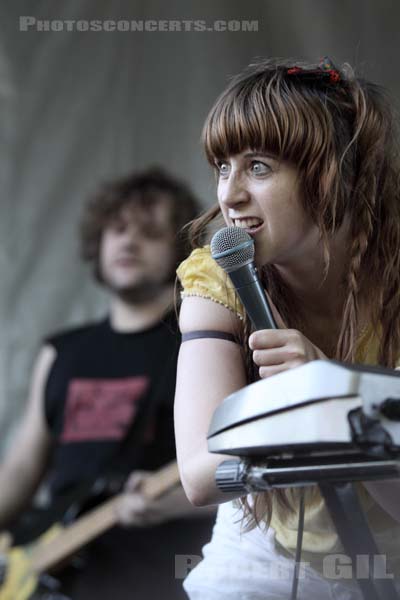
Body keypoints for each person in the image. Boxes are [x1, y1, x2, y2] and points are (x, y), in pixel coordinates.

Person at [174, 57, 400, 599]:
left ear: (330, 174)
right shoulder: (217, 276)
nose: (228, 196)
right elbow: (201, 475)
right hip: (265, 551)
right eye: (222, 167)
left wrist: (331, 394)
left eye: (258, 166)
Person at [0, 166, 215, 599]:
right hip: (52, 575)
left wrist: (168, 505)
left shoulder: (201, 343)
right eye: (117, 229)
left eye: (150, 231)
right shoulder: (61, 351)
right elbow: (23, 468)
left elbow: (234, 470)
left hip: (160, 574)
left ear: (179, 248)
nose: (129, 241)